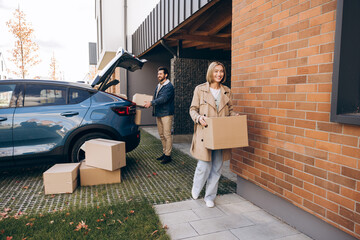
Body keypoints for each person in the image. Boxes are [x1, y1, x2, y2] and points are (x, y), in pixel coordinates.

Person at [189, 61, 238, 208]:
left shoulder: (227, 91)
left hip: (220, 135)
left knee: (217, 167)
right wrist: (198, 118)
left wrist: (235, 116)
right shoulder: (200, 89)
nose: (219, 74)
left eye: (221, 71)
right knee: (204, 165)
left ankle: (210, 196)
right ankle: (196, 189)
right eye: (216, 71)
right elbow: (193, 109)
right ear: (211, 72)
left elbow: (230, 111)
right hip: (205, 133)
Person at [144, 66, 174, 164]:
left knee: (167, 134)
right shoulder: (159, 85)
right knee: (161, 135)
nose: (158, 75)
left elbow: (163, 99)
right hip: (159, 113)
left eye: (160, 74)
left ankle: (168, 156)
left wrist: (151, 103)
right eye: (158, 74)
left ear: (166, 75)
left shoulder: (169, 86)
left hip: (166, 114)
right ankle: (165, 152)